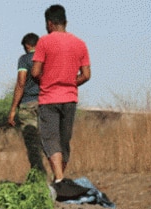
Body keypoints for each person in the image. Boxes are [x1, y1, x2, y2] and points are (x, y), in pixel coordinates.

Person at [31, 4, 90, 188]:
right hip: (70, 98)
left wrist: (46, 81)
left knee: (50, 139)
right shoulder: (80, 43)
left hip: (49, 98)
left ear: (49, 23)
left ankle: (58, 179)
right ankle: (60, 179)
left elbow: (35, 71)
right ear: (65, 22)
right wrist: (71, 83)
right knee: (64, 140)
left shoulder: (44, 42)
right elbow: (86, 75)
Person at [8, 33, 45, 173]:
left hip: (28, 104)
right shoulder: (47, 58)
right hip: (46, 103)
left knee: (32, 142)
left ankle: (38, 174)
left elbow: (21, 83)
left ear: (27, 46)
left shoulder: (24, 59)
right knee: (47, 141)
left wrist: (12, 109)